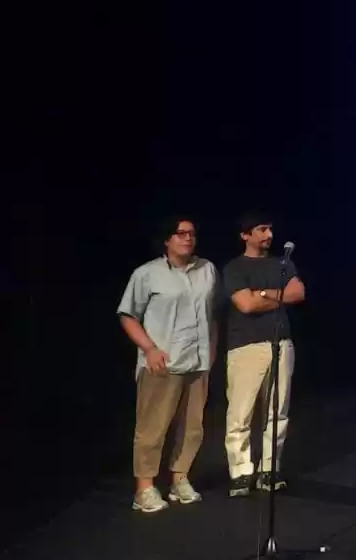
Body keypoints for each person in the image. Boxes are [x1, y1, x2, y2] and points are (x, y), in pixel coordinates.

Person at [116, 217, 218, 513]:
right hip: (163, 361)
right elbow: (127, 315)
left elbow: (213, 314)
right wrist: (149, 348)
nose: (187, 238)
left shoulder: (207, 270)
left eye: (192, 233)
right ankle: (144, 488)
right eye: (180, 233)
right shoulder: (147, 273)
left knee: (192, 427)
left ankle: (180, 478)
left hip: (197, 361)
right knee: (152, 428)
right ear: (166, 240)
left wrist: (211, 350)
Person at [222, 213, 305, 496]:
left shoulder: (283, 263)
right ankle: (241, 471)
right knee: (241, 413)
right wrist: (278, 296)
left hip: (281, 343)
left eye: (270, 229)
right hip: (246, 346)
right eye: (261, 229)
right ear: (245, 235)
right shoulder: (235, 268)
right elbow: (245, 305)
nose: (268, 234)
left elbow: (298, 293)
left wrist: (264, 294)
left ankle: (270, 468)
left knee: (277, 411)